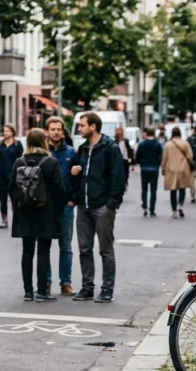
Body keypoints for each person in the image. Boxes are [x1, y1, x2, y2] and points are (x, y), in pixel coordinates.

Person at [69, 113, 126, 303]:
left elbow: (119, 177)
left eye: (82, 125)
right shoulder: (82, 148)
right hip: (83, 207)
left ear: (93, 127)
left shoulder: (110, 148)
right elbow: (77, 175)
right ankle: (87, 287)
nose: (79, 129)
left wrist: (112, 204)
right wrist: (74, 173)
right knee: (84, 248)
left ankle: (107, 289)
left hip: (102, 206)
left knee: (105, 250)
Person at [9, 128, 65, 302]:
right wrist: (57, 208)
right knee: (43, 252)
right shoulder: (51, 162)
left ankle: (27, 291)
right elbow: (59, 190)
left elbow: (11, 188)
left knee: (27, 251)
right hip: (45, 212)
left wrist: (18, 206)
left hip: (24, 212)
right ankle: (42, 291)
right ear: (44, 141)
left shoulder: (19, 162)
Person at [45, 117, 77, 296]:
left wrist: (73, 200)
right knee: (45, 246)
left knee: (66, 246)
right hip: (46, 206)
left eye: (59, 129)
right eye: (53, 129)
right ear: (47, 132)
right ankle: (47, 282)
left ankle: (66, 283)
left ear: (63, 132)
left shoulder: (71, 152)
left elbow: (78, 178)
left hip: (65, 205)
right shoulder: (43, 152)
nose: (56, 132)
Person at [0, 124, 23, 229]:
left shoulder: (18, 145)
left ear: (12, 132)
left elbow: (21, 159)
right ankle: (4, 220)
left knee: (15, 199)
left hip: (14, 175)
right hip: (2, 175)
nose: (5, 133)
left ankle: (17, 220)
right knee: (3, 200)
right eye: (4, 131)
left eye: (8, 131)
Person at [162, 127, 194, 219]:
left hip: (171, 169)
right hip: (183, 168)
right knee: (182, 188)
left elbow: (164, 159)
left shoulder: (168, 145)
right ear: (180, 134)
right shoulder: (185, 143)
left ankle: (174, 211)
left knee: (173, 190)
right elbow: (190, 156)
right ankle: (180, 205)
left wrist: (163, 169)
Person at [135, 127, 163, 217]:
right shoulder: (157, 144)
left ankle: (144, 207)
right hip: (154, 168)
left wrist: (140, 162)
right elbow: (160, 156)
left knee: (144, 189)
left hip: (144, 168)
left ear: (146, 134)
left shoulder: (142, 144)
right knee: (153, 190)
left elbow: (138, 157)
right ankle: (152, 209)